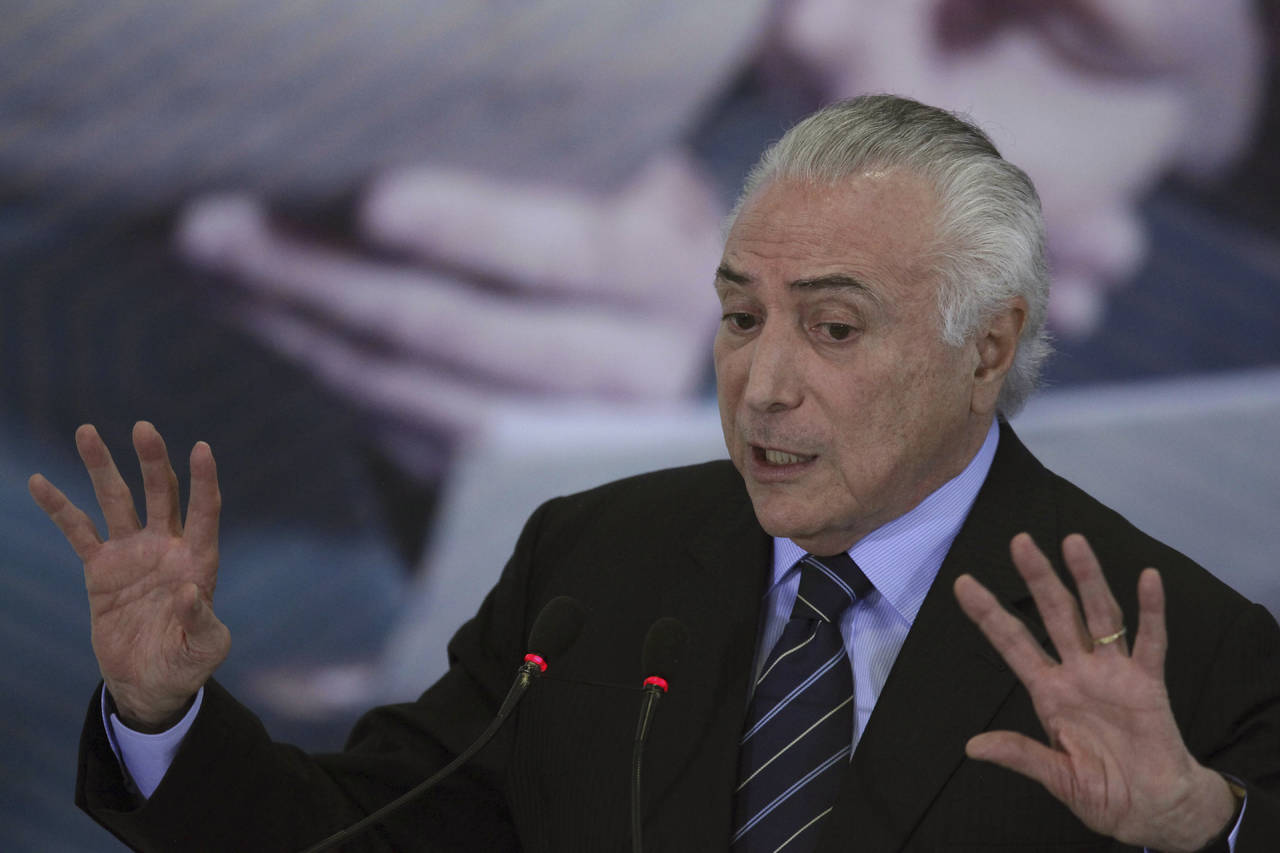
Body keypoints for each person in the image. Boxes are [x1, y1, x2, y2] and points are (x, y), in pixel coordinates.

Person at [32, 95, 1279, 850]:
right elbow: (365, 832)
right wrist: (162, 715)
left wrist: (1200, 825)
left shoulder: (1176, 644)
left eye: (832, 328)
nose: (762, 384)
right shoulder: (588, 564)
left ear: (986, 349)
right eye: (739, 317)